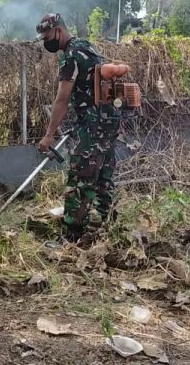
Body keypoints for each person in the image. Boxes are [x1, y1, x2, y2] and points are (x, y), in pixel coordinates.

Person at [36, 13, 131, 243]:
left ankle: (72, 239)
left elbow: (62, 99)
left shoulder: (71, 56)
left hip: (92, 124)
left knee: (80, 180)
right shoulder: (88, 47)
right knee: (103, 177)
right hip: (108, 121)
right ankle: (112, 231)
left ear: (58, 30)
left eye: (47, 35)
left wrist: (49, 135)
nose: (45, 41)